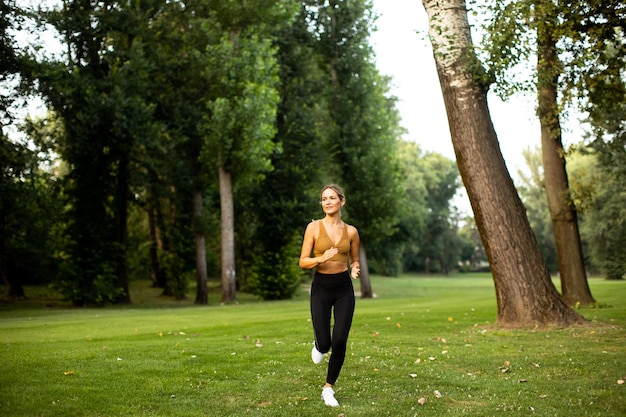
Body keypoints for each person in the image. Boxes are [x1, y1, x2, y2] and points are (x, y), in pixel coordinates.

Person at [299, 184, 361, 407]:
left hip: (343, 287)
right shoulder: (314, 228)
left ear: (341, 201)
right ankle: (319, 345)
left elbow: (354, 258)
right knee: (325, 343)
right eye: (324, 198)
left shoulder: (351, 231)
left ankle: (328, 388)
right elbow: (303, 261)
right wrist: (321, 258)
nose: (327, 202)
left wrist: (354, 268)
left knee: (340, 340)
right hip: (321, 287)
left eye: (332, 198)